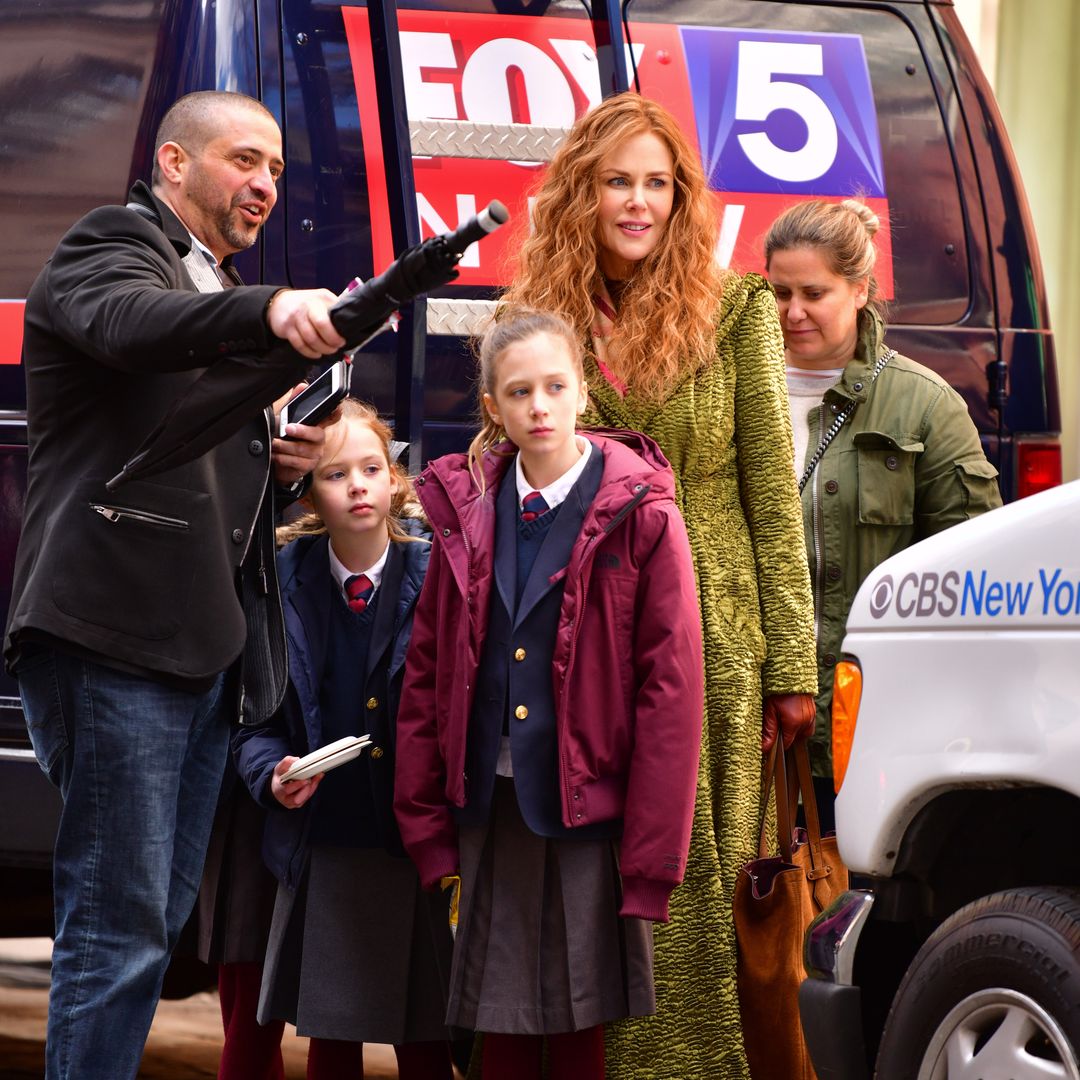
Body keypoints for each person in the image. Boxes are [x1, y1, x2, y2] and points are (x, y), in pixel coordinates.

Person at [4, 90, 347, 1080]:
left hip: (197, 654)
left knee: (148, 928)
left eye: (277, 169)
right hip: (114, 643)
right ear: (172, 163)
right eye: (245, 161)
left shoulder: (203, 282)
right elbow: (131, 324)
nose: (265, 185)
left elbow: (169, 441)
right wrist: (269, 311)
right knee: (118, 932)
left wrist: (274, 455)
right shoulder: (110, 245)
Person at [499, 93, 819, 1079]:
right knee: (579, 865)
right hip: (573, 625)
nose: (638, 202)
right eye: (617, 182)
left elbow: (774, 493)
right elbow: (499, 461)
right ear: (581, 195)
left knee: (686, 877)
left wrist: (791, 668)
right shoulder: (539, 315)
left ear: (682, 198)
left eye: (656, 183)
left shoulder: (736, 308)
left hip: (709, 629)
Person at [393, 309, 704, 1080]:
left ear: (583, 394)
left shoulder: (645, 516)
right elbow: (426, 671)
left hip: (588, 815)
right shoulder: (465, 512)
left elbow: (673, 690)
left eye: (555, 387)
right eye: (519, 391)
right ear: (493, 407)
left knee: (578, 1028)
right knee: (497, 1021)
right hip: (492, 806)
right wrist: (428, 825)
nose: (539, 406)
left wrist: (651, 859)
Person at [233, 398, 455, 1080]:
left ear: (394, 479)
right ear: (308, 495)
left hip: (407, 845)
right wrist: (273, 775)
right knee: (331, 1035)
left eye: (371, 467)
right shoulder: (281, 585)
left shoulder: (439, 575)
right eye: (335, 474)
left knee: (423, 1037)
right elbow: (253, 724)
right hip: (322, 846)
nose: (358, 484)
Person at [764, 198, 1003, 822]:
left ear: (861, 289)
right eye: (779, 291)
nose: (793, 312)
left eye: (814, 292)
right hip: (748, 720)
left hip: (870, 719)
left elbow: (974, 566)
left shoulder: (924, 405)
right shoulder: (733, 390)